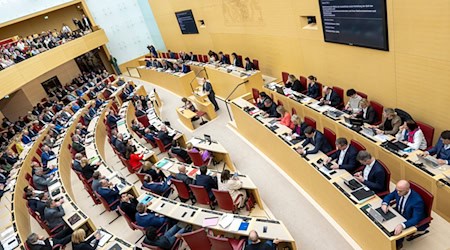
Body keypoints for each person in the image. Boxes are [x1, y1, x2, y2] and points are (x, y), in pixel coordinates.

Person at [381, 180, 426, 247]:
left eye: (400, 191)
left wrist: (402, 225)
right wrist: (385, 203)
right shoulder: (399, 190)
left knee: (394, 234)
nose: (398, 192)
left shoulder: (417, 201)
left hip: (407, 219)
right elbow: (390, 196)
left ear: (407, 189)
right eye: (397, 190)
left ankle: (398, 246)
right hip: (398, 213)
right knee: (381, 223)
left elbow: (416, 218)